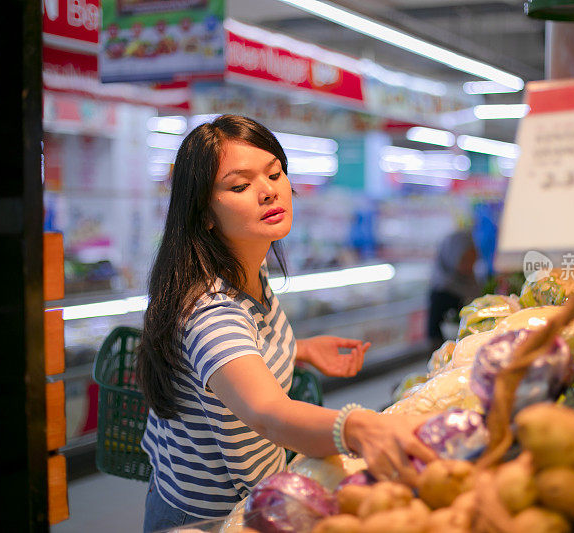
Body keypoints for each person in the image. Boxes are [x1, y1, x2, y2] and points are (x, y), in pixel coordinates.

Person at [137, 115, 436, 531]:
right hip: (204, 519)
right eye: (240, 186)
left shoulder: (249, 268)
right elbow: (267, 413)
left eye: (274, 173)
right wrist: (356, 425)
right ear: (203, 212)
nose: (268, 191)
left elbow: (234, 363)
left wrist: (301, 349)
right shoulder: (209, 310)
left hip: (250, 490)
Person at [427, 229, 484, 347]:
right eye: (465, 259)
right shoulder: (441, 291)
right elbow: (433, 336)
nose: (470, 265)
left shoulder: (474, 282)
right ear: (451, 257)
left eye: (473, 258)